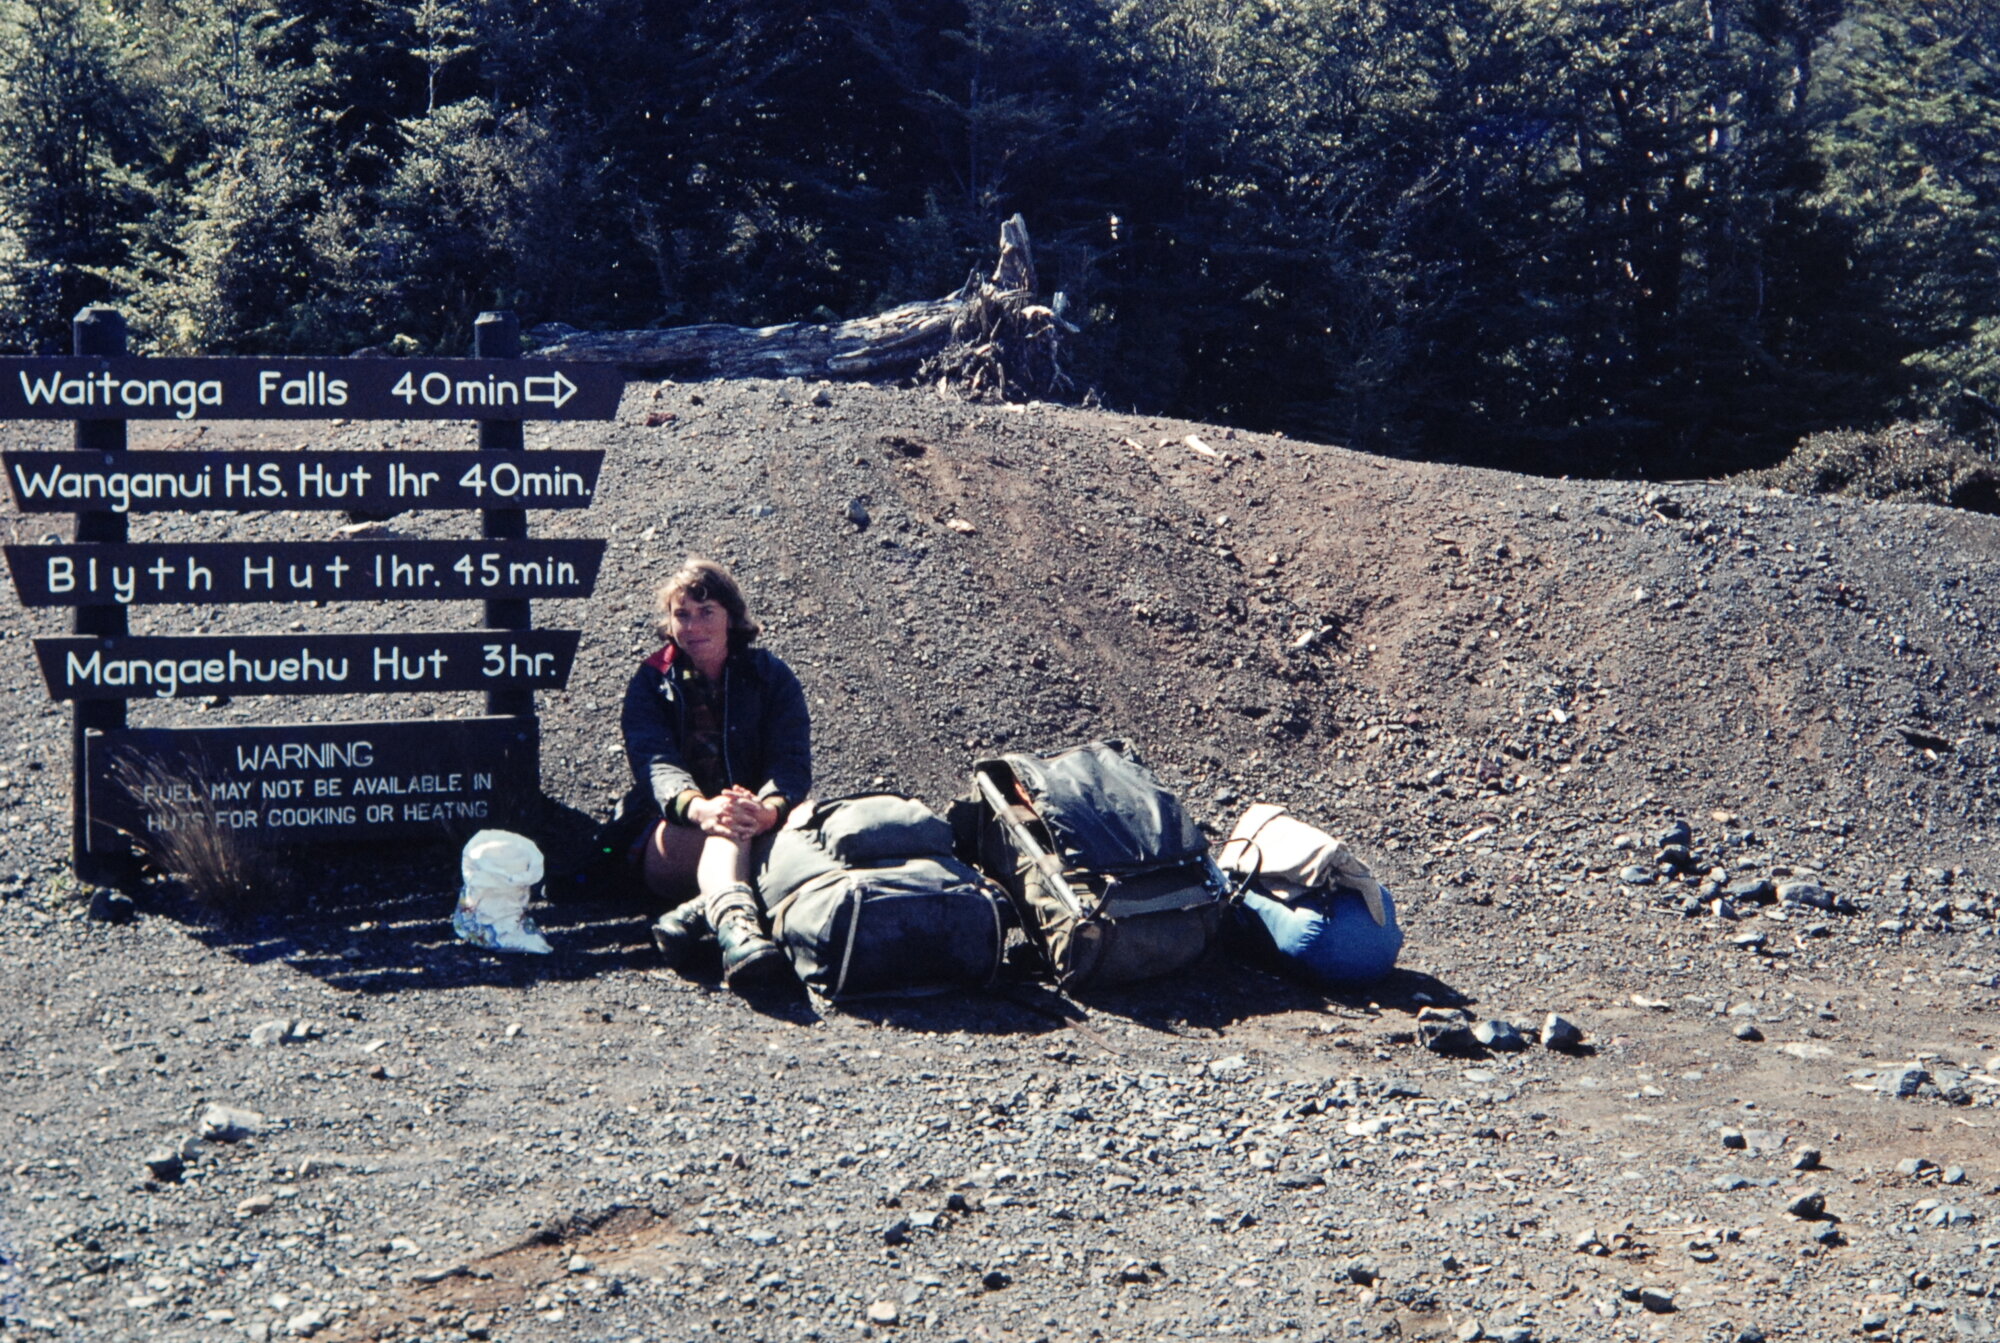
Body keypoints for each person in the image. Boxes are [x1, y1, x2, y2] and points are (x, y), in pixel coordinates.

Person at [619, 557, 810, 988]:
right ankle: (741, 939)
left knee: (807, 818)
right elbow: (655, 764)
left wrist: (768, 809)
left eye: (707, 613)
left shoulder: (770, 676)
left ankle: (700, 915)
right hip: (669, 830)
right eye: (681, 614)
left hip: (756, 821)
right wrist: (702, 808)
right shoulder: (651, 682)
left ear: (731, 618)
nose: (693, 626)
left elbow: (792, 762)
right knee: (728, 831)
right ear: (669, 623)